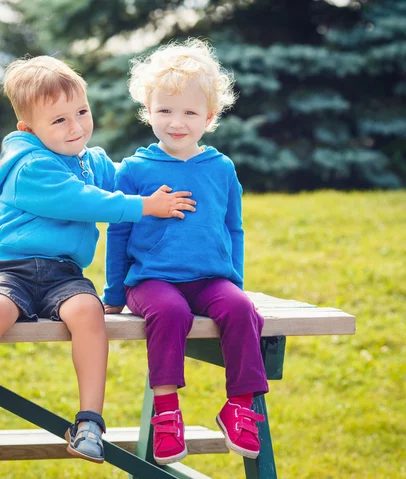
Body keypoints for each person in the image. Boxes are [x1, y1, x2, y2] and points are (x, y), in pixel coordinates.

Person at [0, 55, 196, 465]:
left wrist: (171, 162)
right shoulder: (31, 166)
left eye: (81, 113)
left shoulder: (91, 161)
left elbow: (125, 176)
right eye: (59, 121)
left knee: (89, 312)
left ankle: (89, 422)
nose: (75, 127)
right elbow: (84, 202)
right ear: (29, 129)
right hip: (11, 269)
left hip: (64, 275)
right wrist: (145, 206)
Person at [103, 38, 269, 465]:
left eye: (190, 112)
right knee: (171, 313)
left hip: (211, 278)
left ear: (209, 117)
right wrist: (115, 294)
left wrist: (235, 282)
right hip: (151, 280)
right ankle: (167, 411)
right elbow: (118, 232)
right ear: (148, 110)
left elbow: (234, 228)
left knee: (242, 310)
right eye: (165, 111)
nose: (176, 122)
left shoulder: (221, 168)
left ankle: (239, 406)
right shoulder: (135, 170)